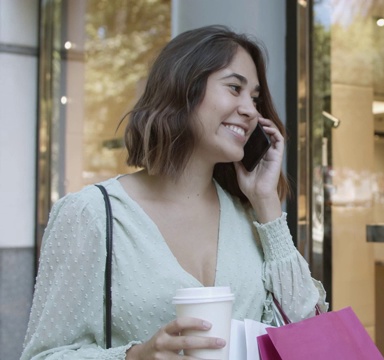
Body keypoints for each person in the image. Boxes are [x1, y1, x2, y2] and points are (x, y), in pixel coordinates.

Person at [21, 25, 327, 359]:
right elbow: (43, 355)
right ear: (184, 88)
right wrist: (136, 356)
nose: (251, 110)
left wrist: (266, 202)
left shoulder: (251, 217)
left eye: (254, 98)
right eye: (234, 88)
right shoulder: (91, 214)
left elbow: (307, 330)